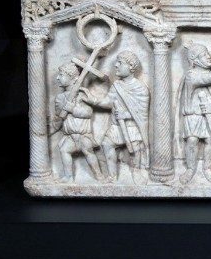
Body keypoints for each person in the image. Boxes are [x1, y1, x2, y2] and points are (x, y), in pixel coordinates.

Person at [83, 51, 150, 184]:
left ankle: (136, 171)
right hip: (117, 126)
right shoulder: (117, 86)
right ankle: (112, 176)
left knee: (135, 149)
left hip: (132, 126)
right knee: (106, 144)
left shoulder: (140, 88)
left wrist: (126, 115)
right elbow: (108, 102)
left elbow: (142, 113)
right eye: (116, 62)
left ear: (131, 67)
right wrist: (93, 100)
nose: (116, 65)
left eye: (120, 63)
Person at [178, 39, 211, 184]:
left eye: (208, 54)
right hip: (193, 114)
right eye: (204, 55)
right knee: (192, 140)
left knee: (210, 141)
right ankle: (190, 169)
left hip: (210, 114)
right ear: (194, 60)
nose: (209, 57)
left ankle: (208, 168)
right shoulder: (192, 75)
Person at [51, 62, 104, 182]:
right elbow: (59, 115)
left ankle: (99, 175)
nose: (58, 77)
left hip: (83, 134)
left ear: (73, 78)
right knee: (64, 150)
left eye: (61, 75)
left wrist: (73, 109)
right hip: (70, 135)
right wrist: (62, 110)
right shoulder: (60, 97)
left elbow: (88, 112)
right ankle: (68, 177)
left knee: (88, 152)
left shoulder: (82, 95)